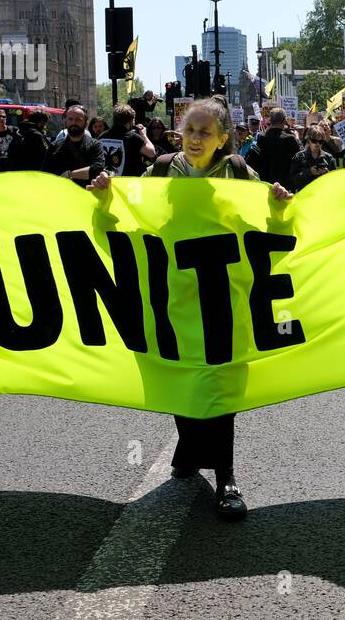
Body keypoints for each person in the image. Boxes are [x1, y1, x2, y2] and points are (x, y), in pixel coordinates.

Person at [90, 97, 292, 520]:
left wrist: (277, 202)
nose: (195, 138)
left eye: (205, 132)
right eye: (190, 130)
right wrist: (107, 195)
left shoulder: (238, 172)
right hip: (172, 292)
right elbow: (132, 213)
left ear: (222, 139)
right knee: (177, 371)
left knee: (219, 380)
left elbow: (269, 221)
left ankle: (226, 477)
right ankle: (189, 443)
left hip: (223, 293)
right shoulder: (161, 169)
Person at [43, 104, 106, 183]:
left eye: (78, 119)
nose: (74, 122)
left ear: (86, 123)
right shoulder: (55, 146)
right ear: (65, 122)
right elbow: (45, 173)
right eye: (70, 119)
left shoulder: (95, 145)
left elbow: (97, 168)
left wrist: (69, 174)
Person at [246, 107, 301, 187]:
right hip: (284, 186)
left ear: (270, 121)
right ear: (284, 121)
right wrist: (297, 139)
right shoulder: (290, 139)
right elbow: (299, 158)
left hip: (265, 183)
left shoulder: (261, 137)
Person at [104, 103, 155, 177]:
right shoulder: (132, 137)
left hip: (108, 182)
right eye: (134, 119)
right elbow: (151, 152)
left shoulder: (102, 136)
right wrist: (144, 135)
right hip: (129, 183)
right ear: (130, 120)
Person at [289, 125, 339, 191]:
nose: (317, 144)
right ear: (308, 140)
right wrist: (310, 172)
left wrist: (327, 174)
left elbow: (335, 182)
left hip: (322, 196)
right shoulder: (299, 157)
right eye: (314, 141)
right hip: (304, 196)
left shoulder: (329, 158)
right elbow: (293, 180)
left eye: (320, 142)